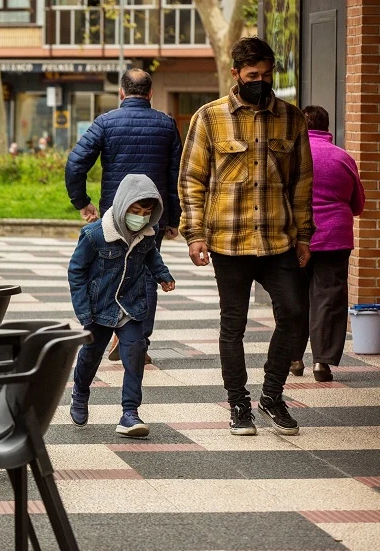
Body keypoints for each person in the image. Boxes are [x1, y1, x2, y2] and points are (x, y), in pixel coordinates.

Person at [178, 37, 313, 437]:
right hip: (228, 241)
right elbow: (191, 180)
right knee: (232, 325)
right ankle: (239, 404)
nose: (261, 82)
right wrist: (193, 234)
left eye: (267, 75)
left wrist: (304, 235)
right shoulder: (209, 117)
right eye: (253, 75)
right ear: (235, 73)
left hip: (278, 240)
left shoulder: (291, 118)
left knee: (292, 313)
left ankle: (272, 395)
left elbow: (302, 182)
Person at [65, 68, 183, 364]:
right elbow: (175, 176)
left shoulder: (105, 123)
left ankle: (114, 328)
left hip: (113, 217)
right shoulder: (167, 125)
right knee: (147, 274)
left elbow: (75, 164)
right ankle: (138, 339)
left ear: (122, 92)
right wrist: (173, 218)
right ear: (150, 93)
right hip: (151, 216)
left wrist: (82, 203)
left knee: (111, 272)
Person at [68, 175, 176, 438]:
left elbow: (151, 256)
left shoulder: (147, 235)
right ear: (122, 206)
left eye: (146, 213)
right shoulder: (95, 235)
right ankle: (80, 393)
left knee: (135, 355)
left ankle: (130, 413)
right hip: (99, 308)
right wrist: (83, 312)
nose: (140, 217)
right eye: (135, 211)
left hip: (132, 306)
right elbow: (76, 271)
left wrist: (163, 275)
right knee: (91, 356)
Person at [290, 106, 365, 382]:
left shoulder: (291, 156)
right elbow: (358, 204)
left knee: (295, 296)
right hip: (335, 238)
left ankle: (294, 358)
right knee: (329, 298)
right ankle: (322, 363)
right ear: (327, 126)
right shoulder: (343, 158)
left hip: (297, 238)